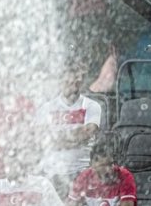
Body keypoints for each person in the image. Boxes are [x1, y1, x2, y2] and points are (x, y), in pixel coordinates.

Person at [35, 63, 102, 193]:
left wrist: (56, 138)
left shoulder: (92, 106)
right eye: (68, 82)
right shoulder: (46, 108)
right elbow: (41, 139)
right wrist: (74, 137)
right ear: (61, 81)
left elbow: (85, 134)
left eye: (76, 83)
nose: (72, 87)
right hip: (51, 173)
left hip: (81, 171)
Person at [67, 138, 136, 206]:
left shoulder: (125, 175)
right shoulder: (83, 178)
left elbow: (128, 204)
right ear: (92, 165)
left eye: (110, 164)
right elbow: (71, 204)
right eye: (103, 166)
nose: (109, 170)